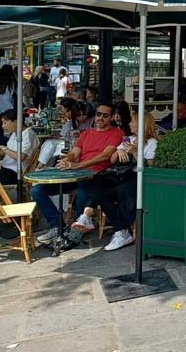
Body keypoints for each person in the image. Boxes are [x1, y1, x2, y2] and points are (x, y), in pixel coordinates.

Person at [32, 103, 123, 244]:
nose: (100, 118)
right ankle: (57, 226)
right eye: (98, 114)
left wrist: (77, 165)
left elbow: (105, 156)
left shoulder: (117, 133)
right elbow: (74, 153)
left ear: (111, 118)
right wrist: (67, 160)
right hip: (76, 174)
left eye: (105, 115)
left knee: (83, 192)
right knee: (37, 190)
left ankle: (76, 231)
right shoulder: (86, 133)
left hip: (98, 175)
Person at [102, 111, 159, 251]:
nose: (129, 124)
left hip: (142, 179)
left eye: (133, 121)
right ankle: (122, 229)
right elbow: (112, 160)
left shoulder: (152, 143)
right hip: (124, 176)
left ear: (141, 124)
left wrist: (135, 152)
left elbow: (151, 166)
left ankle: (121, 231)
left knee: (124, 191)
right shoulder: (128, 139)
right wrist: (119, 151)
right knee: (102, 192)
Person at [0, 110, 39, 186]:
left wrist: (2, 147)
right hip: (6, 168)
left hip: (16, 173)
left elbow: (20, 157)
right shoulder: (14, 133)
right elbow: (7, 155)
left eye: (5, 122)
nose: (3, 126)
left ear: (16, 122)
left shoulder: (28, 134)